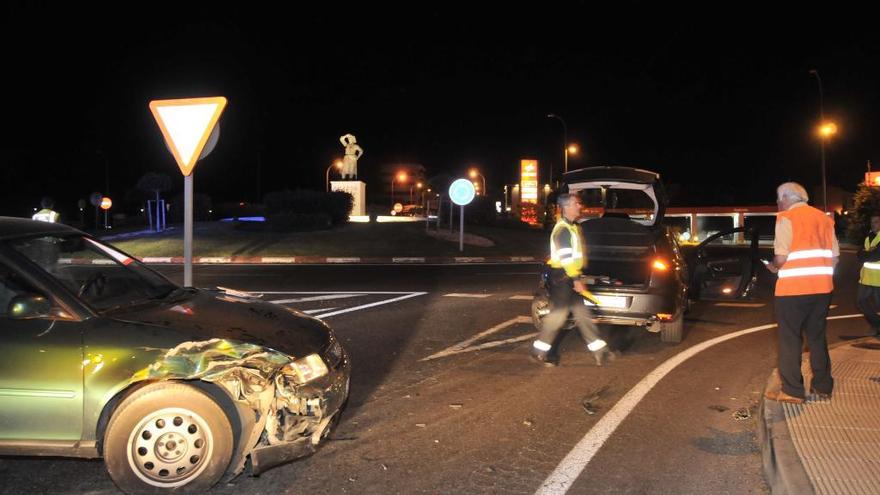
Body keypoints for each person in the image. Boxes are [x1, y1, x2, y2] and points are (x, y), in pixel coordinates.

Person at [765, 182, 839, 403]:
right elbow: (834, 257)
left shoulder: (786, 218)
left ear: (787, 198)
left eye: (779, 199)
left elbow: (782, 256)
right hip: (822, 289)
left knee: (790, 339)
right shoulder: (824, 219)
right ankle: (823, 386)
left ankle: (792, 391)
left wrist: (774, 266)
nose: (778, 203)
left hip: (793, 291)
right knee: (817, 338)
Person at [531, 193, 614, 367]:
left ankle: (600, 352)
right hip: (562, 278)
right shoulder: (562, 230)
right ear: (567, 207)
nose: (580, 206)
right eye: (576, 203)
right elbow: (567, 258)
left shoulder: (572, 227)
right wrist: (576, 279)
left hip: (568, 276)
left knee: (582, 315)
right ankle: (539, 351)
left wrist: (576, 277)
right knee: (558, 316)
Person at [856, 214, 880, 335]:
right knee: (860, 302)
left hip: (878, 279)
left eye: (876, 221)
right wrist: (868, 253)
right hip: (865, 278)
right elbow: (859, 254)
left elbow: (875, 255)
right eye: (872, 222)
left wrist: (867, 254)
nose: (873, 224)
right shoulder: (868, 237)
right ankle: (877, 324)